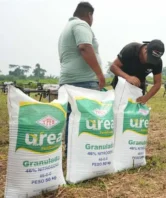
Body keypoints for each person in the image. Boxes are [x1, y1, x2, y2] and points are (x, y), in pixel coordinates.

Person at [58, 2, 105, 154]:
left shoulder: (67, 28)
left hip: (68, 81)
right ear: (89, 15)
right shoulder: (81, 25)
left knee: (72, 117)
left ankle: (71, 152)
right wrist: (99, 73)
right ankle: (84, 152)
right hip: (83, 81)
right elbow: (85, 46)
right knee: (87, 117)